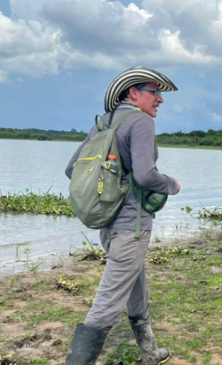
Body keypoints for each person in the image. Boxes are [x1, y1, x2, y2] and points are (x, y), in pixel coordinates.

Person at [64, 67, 180, 365]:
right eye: (154, 92)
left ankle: (150, 353)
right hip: (132, 226)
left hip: (109, 224)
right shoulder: (140, 122)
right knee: (108, 301)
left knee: (135, 285)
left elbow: (72, 169)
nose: (159, 100)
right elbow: (146, 175)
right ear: (133, 93)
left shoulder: (105, 122)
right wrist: (172, 185)